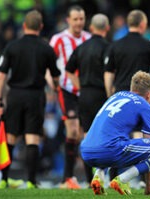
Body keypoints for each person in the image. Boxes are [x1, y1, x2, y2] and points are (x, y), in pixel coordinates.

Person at [0, 10, 60, 188]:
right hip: (36, 96)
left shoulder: (12, 46)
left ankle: (3, 180)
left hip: (15, 94)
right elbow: (55, 78)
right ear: (41, 26)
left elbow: (1, 76)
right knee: (32, 138)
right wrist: (55, 86)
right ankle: (31, 181)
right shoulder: (46, 48)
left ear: (24, 26)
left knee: (10, 138)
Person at [80, 71, 150, 195]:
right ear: (149, 94)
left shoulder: (116, 95)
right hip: (109, 150)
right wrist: (149, 187)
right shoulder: (146, 106)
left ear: (132, 88)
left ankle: (99, 176)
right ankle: (123, 179)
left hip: (86, 151)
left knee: (114, 139)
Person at [49, 5, 91, 189]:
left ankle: (92, 179)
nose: (79, 22)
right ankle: (67, 177)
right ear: (68, 20)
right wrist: (52, 82)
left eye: (81, 19)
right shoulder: (58, 39)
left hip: (87, 91)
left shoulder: (89, 38)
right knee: (73, 131)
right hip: (66, 90)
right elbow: (47, 63)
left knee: (87, 134)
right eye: (75, 19)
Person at [66, 13, 110, 142]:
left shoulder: (81, 48)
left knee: (87, 134)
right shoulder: (108, 48)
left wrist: (80, 87)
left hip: (84, 94)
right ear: (107, 28)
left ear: (91, 28)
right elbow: (109, 73)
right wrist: (110, 94)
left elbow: (69, 70)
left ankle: (87, 162)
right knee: (103, 134)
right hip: (101, 94)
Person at [104, 9, 150, 98]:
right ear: (142, 24)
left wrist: (109, 94)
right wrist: (148, 81)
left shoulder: (115, 46)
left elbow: (109, 73)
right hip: (141, 94)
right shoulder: (149, 46)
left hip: (121, 94)